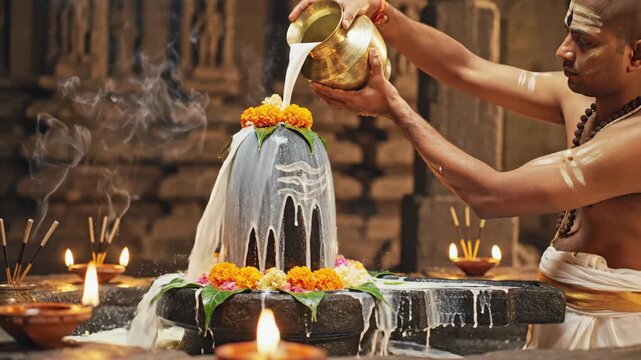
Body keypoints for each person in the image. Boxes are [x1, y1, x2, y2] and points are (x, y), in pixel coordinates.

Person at [290, 0, 641, 351]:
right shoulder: (582, 100)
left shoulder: (634, 142)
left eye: (584, 42)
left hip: (617, 334)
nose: (562, 49)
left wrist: (396, 109)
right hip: (560, 318)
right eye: (568, 31)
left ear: (636, 55)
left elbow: (494, 195)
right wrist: (381, 11)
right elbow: (464, 69)